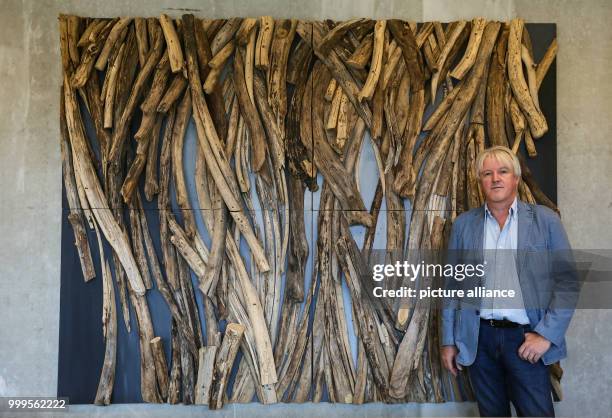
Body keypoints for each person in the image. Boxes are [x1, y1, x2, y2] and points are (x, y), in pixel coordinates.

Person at [440, 146, 579, 417]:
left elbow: (568, 283)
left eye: (503, 171)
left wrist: (546, 335)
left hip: (525, 338)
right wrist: (448, 340)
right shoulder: (464, 225)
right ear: (480, 181)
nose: (495, 179)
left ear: (515, 178)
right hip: (479, 339)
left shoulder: (545, 221)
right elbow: (452, 288)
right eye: (487, 173)